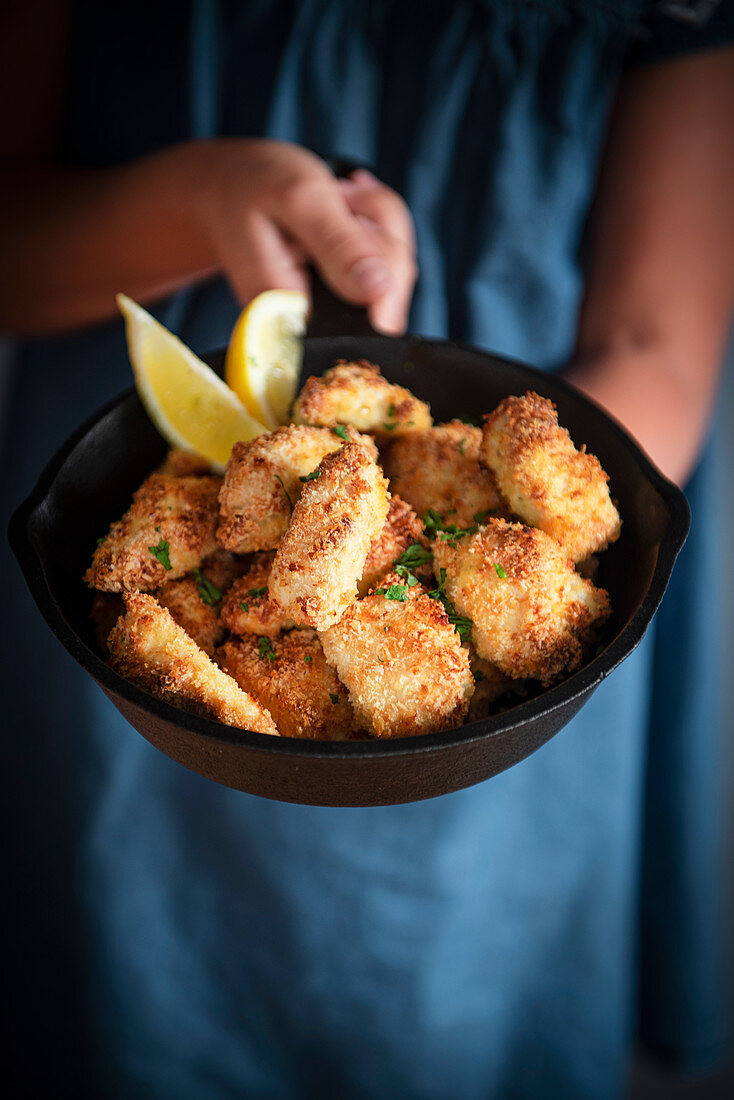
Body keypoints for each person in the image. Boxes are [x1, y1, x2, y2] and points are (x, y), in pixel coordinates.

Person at [1, 2, 732, 1097]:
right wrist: (198, 198)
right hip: (135, 743)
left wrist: (555, 517)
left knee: (458, 1000)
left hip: (510, 768)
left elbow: (657, 349)